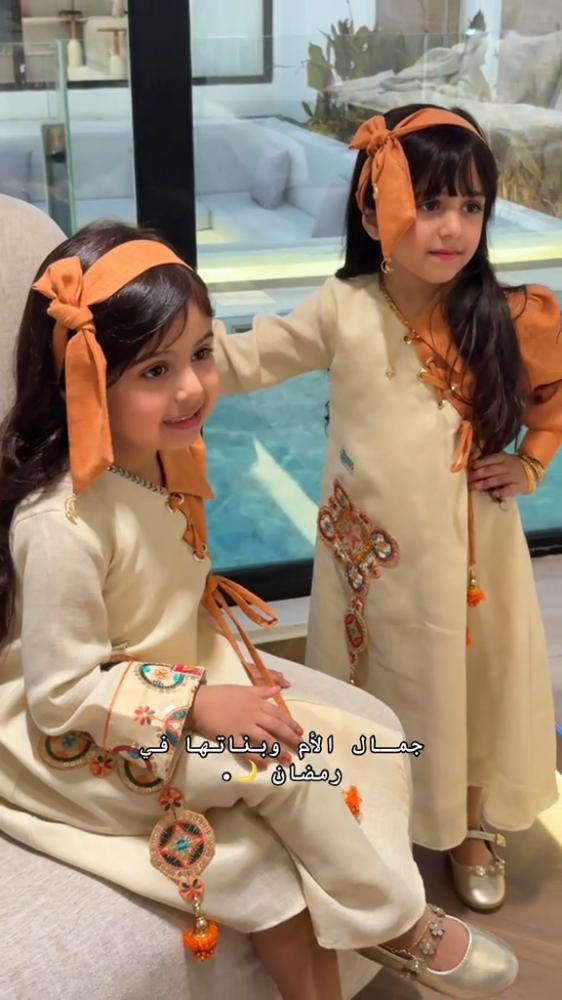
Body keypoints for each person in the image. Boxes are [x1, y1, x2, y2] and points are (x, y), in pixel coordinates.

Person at [0, 222, 517, 999]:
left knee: (327, 776)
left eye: (201, 355)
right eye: (155, 370)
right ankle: (395, 921)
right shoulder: (60, 525)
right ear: (83, 375)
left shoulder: (161, 459)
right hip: (73, 736)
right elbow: (61, 692)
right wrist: (198, 701)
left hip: (155, 683)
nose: (190, 388)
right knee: (278, 767)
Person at [213, 104, 562, 913]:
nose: (452, 227)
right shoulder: (343, 307)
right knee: (378, 686)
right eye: (429, 203)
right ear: (372, 215)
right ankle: (372, 811)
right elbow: (248, 359)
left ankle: (468, 826)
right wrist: (159, 357)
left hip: (471, 560)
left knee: (467, 685)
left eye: (470, 205)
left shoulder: (509, 317)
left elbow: (551, 399)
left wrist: (530, 463)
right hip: (366, 563)